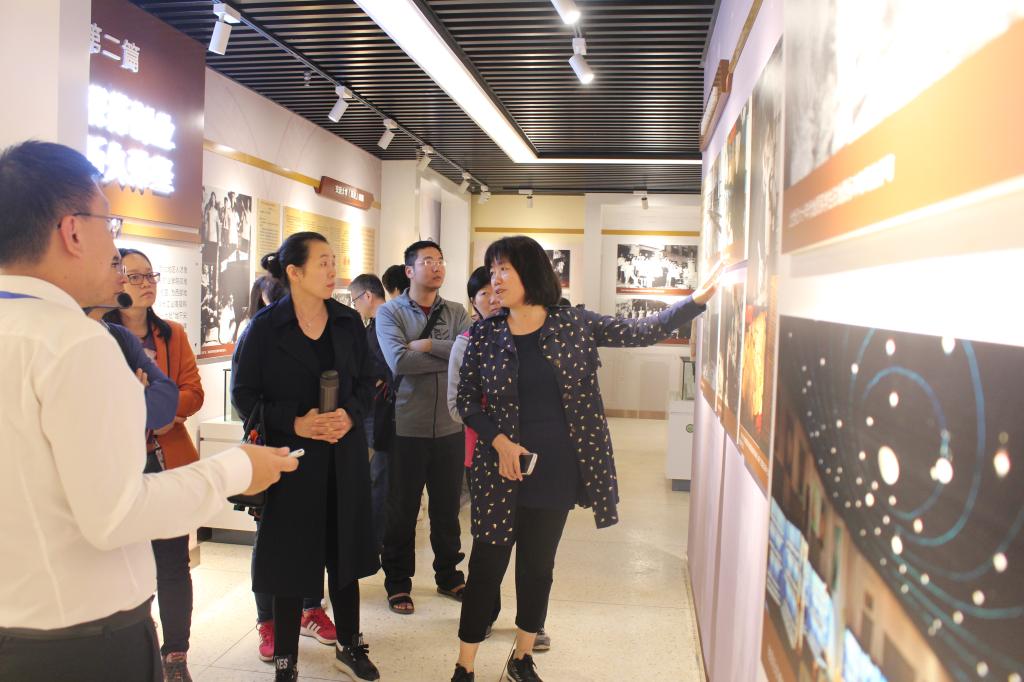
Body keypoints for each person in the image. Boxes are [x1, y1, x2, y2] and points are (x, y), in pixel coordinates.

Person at [0, 140, 295, 682]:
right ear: (72, 231)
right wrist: (237, 467)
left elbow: (171, 397)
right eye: (108, 224)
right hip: (82, 641)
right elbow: (116, 514)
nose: (115, 250)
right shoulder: (75, 342)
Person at [450, 236, 723, 682]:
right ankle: (465, 665)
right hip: (499, 469)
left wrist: (697, 301)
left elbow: (640, 331)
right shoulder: (485, 333)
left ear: (530, 274)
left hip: (556, 469)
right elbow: (466, 401)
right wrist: (499, 442)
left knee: (538, 567)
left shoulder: (573, 324)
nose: (494, 280)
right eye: (492, 270)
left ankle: (522, 657)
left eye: (504, 270)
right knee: (485, 567)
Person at [232, 232, 380, 682]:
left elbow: (367, 382)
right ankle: (286, 659)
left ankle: (350, 645)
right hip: (290, 459)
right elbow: (244, 394)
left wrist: (349, 416)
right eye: (323, 262)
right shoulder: (265, 327)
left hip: (342, 455)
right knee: (289, 560)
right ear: (294, 272)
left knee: (345, 555)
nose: (333, 270)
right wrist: (295, 422)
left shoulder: (347, 322)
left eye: (334, 261)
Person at [101, 247, 206, 681]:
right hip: (119, 462)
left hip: (166, 459)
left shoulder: (172, 334)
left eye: (151, 276)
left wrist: (163, 410)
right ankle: (134, 647)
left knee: (172, 562)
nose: (146, 284)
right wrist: (150, 403)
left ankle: (176, 655)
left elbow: (193, 392)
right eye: (135, 276)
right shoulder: (100, 335)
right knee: (126, 562)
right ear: (117, 281)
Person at [237, 273, 336, 663]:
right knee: (270, 538)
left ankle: (311, 608)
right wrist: (290, 420)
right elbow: (244, 398)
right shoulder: (257, 331)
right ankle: (268, 620)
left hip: (316, 448)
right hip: (272, 447)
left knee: (313, 531)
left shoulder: (323, 328)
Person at [375, 241, 472, 615]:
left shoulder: (456, 311)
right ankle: (398, 583)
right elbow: (399, 362)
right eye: (428, 261)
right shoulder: (390, 313)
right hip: (406, 426)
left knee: (447, 510)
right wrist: (448, 354)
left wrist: (428, 344)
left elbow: (469, 356)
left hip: (450, 425)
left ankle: (449, 575)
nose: (437, 267)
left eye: (440, 260)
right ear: (409, 271)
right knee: (401, 510)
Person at [349, 273, 393, 551]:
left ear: (367, 295)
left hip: (380, 411)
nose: (355, 307)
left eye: (355, 300)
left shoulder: (382, 326)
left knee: (379, 475)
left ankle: (376, 541)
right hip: (378, 409)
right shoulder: (384, 323)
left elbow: (386, 368)